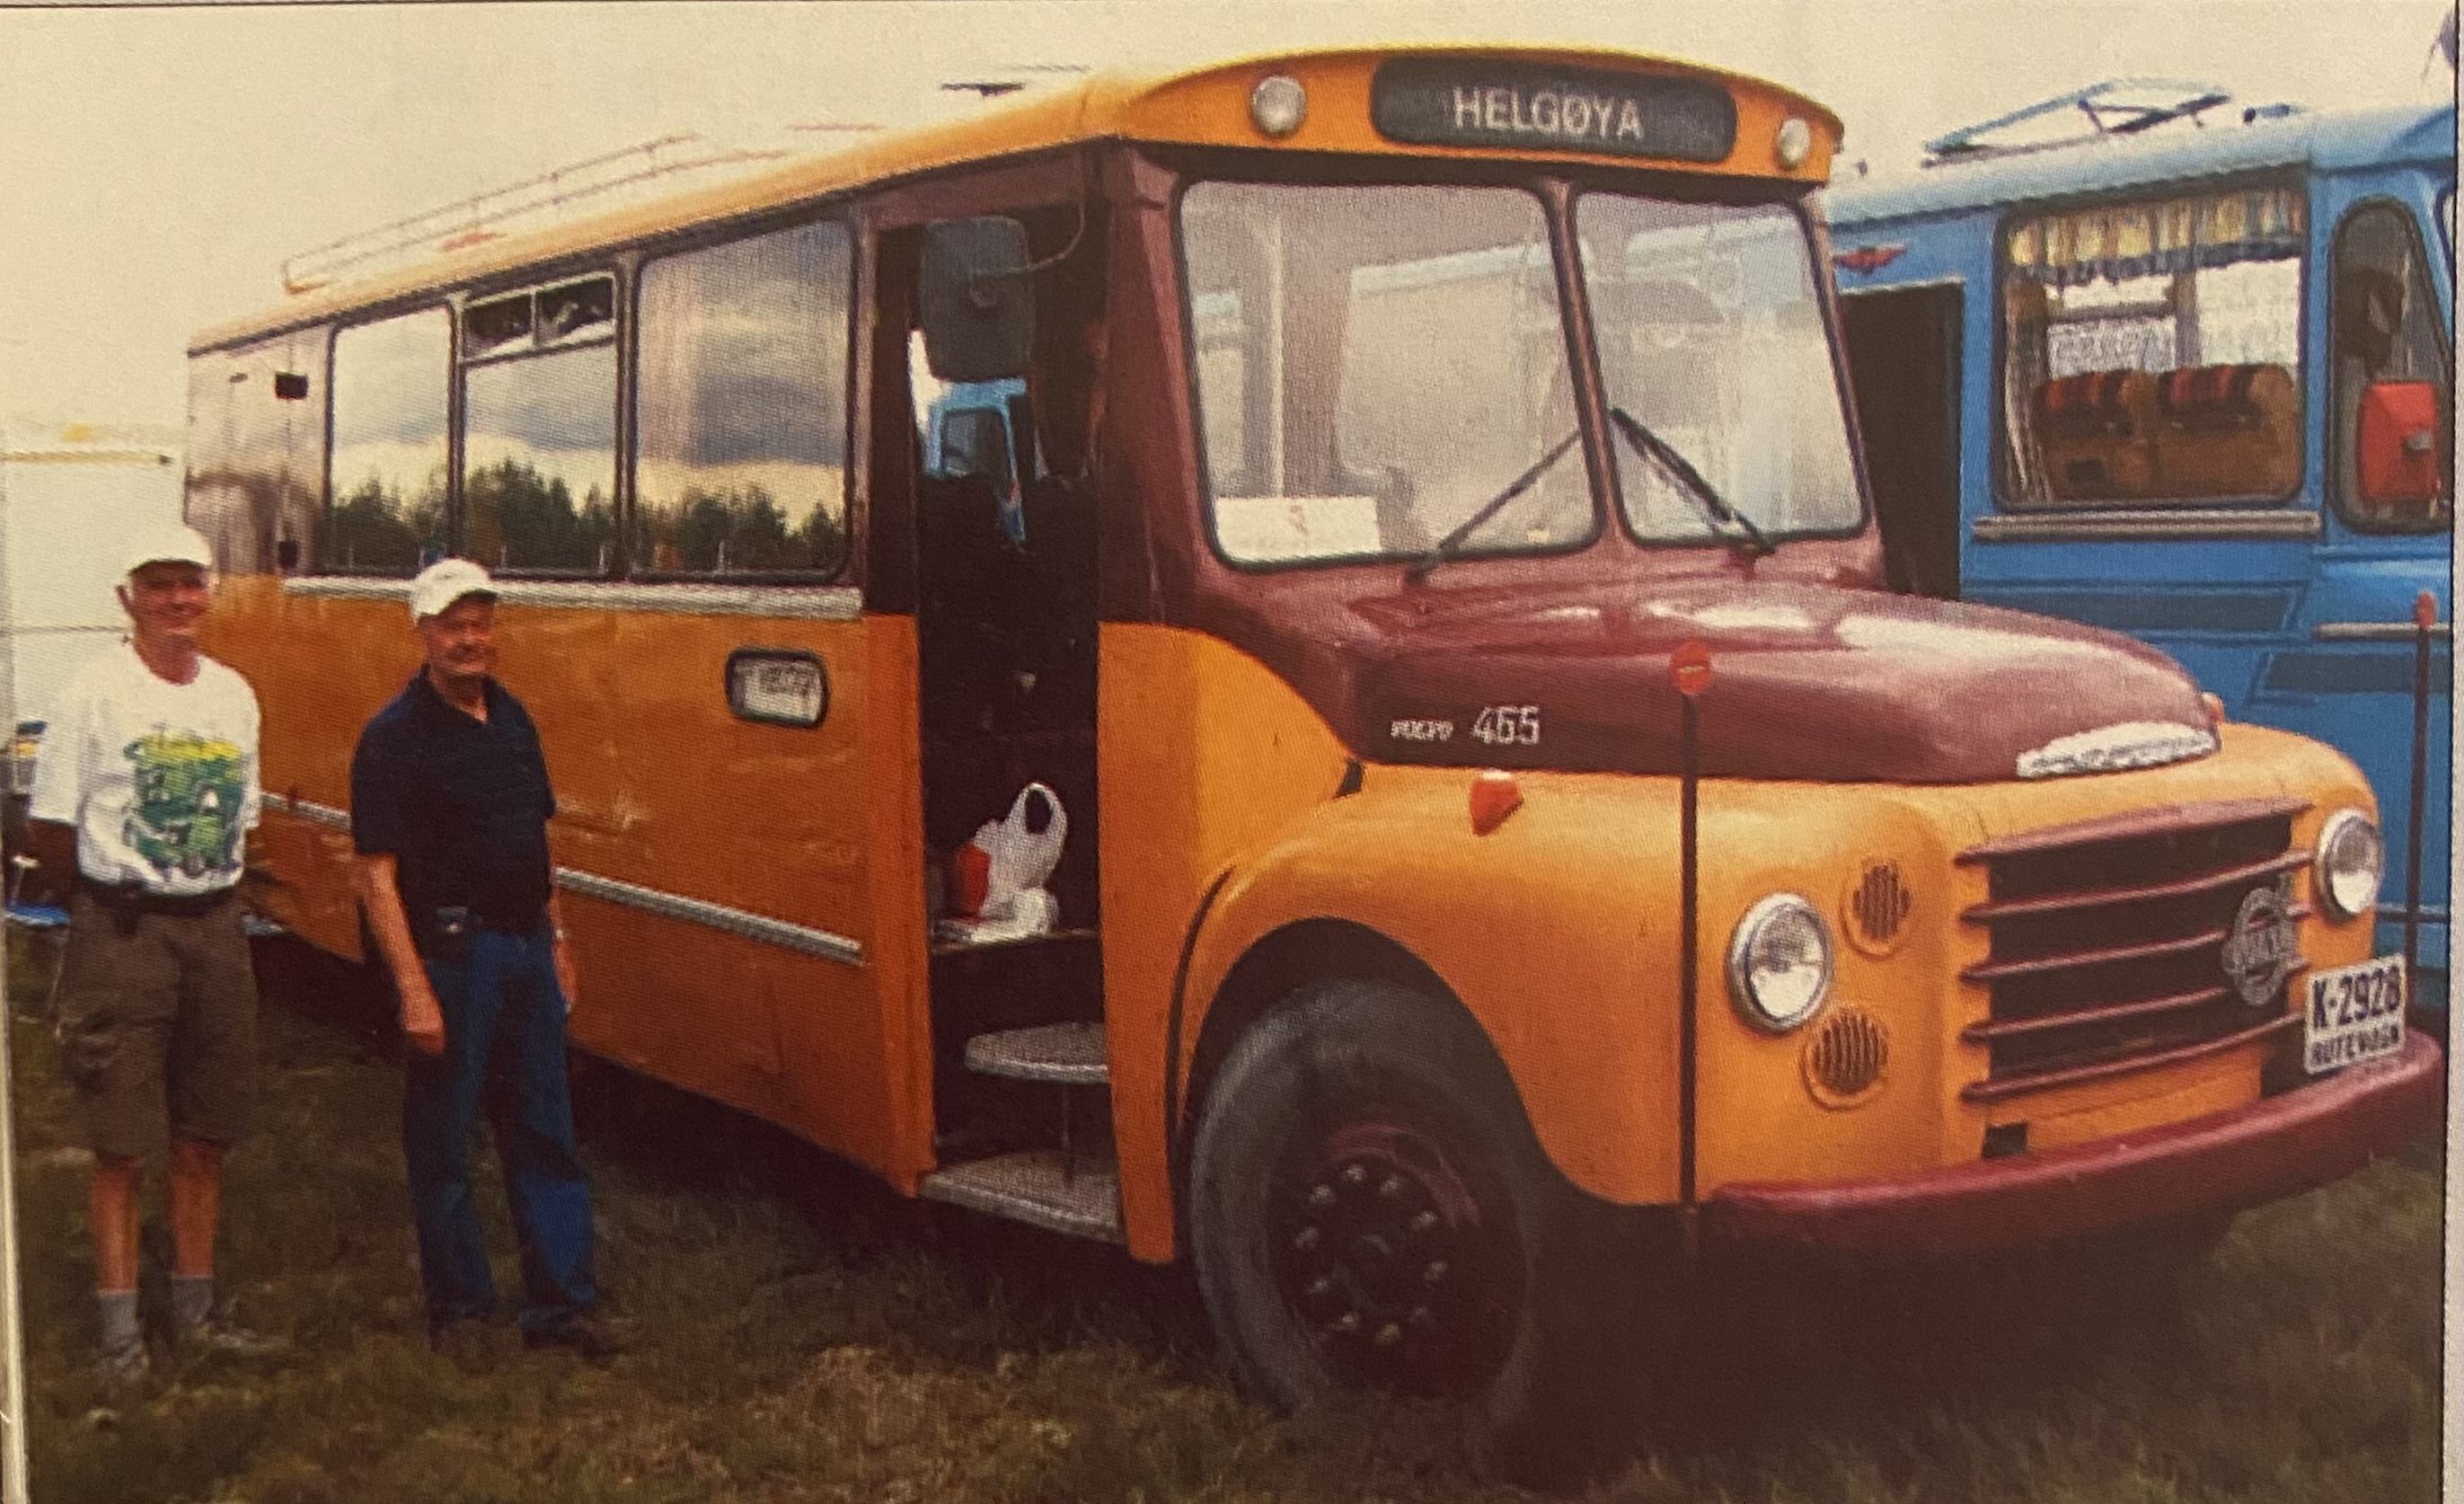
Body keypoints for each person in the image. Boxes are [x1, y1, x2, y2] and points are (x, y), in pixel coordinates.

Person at [26, 523, 281, 1384]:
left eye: (191, 582)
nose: (178, 599)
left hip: (216, 930)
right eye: (159, 583)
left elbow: (244, 819)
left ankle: (198, 1315)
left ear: (210, 593)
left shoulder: (234, 695)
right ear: (127, 597)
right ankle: (120, 1340)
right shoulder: (92, 693)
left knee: (206, 1133)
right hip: (123, 932)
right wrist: (99, 907)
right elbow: (51, 827)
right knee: (122, 1145)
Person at [349, 557, 623, 1358]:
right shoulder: (393, 738)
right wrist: (412, 988)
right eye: (452, 627)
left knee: (545, 1128)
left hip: (524, 949)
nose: (469, 640)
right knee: (444, 1140)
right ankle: (461, 1310)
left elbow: (535, 840)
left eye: (479, 624)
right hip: (452, 954)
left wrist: (558, 939)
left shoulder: (511, 719)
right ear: (422, 633)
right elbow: (374, 874)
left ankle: (562, 1305)